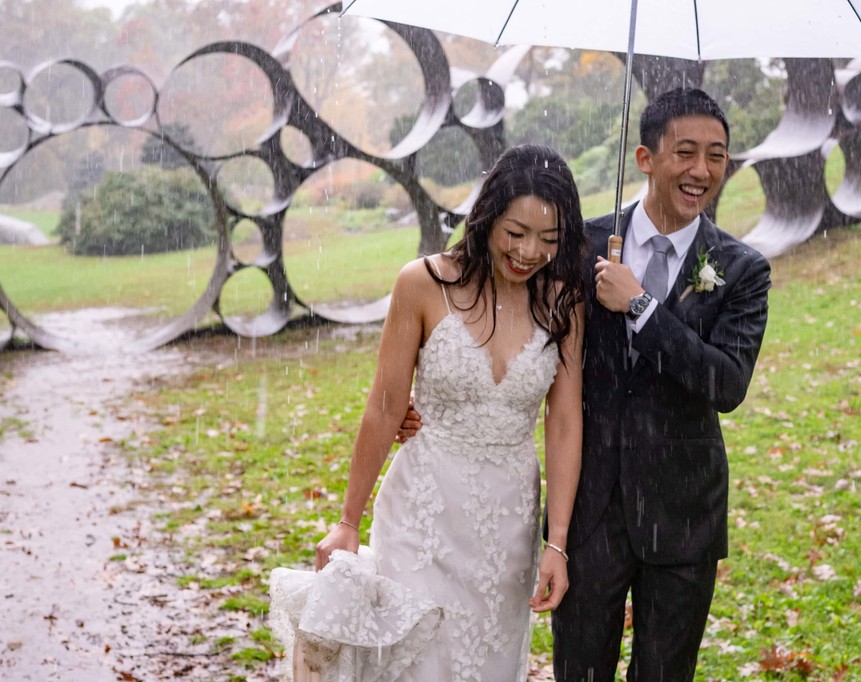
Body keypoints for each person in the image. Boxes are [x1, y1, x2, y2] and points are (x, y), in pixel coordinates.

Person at [269, 143, 587, 681]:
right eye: (516, 232)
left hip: (508, 522)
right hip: (422, 508)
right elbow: (384, 407)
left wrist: (556, 542)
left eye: (549, 239)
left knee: (484, 659)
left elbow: (564, 423)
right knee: (415, 658)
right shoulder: (422, 283)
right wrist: (349, 520)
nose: (530, 251)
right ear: (486, 217)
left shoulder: (563, 301)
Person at [550, 87, 771, 681]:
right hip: (591, 509)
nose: (702, 170)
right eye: (687, 152)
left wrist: (641, 306)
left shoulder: (742, 270)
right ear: (646, 158)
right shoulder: (584, 246)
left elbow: (725, 383)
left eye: (717, 156)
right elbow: (536, 351)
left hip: (683, 514)